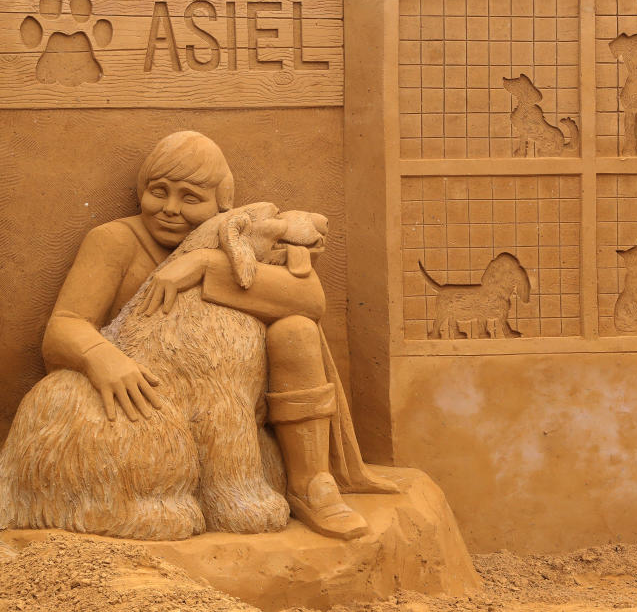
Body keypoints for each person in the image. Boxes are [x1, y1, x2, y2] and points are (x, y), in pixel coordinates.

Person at [43, 130, 394, 540]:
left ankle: (311, 484)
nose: (170, 209)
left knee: (297, 329)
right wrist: (101, 356)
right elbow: (63, 325)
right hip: (145, 395)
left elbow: (310, 299)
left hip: (234, 400)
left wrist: (206, 263)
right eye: (158, 191)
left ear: (220, 204)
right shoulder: (115, 241)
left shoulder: (236, 237)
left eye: (191, 198)